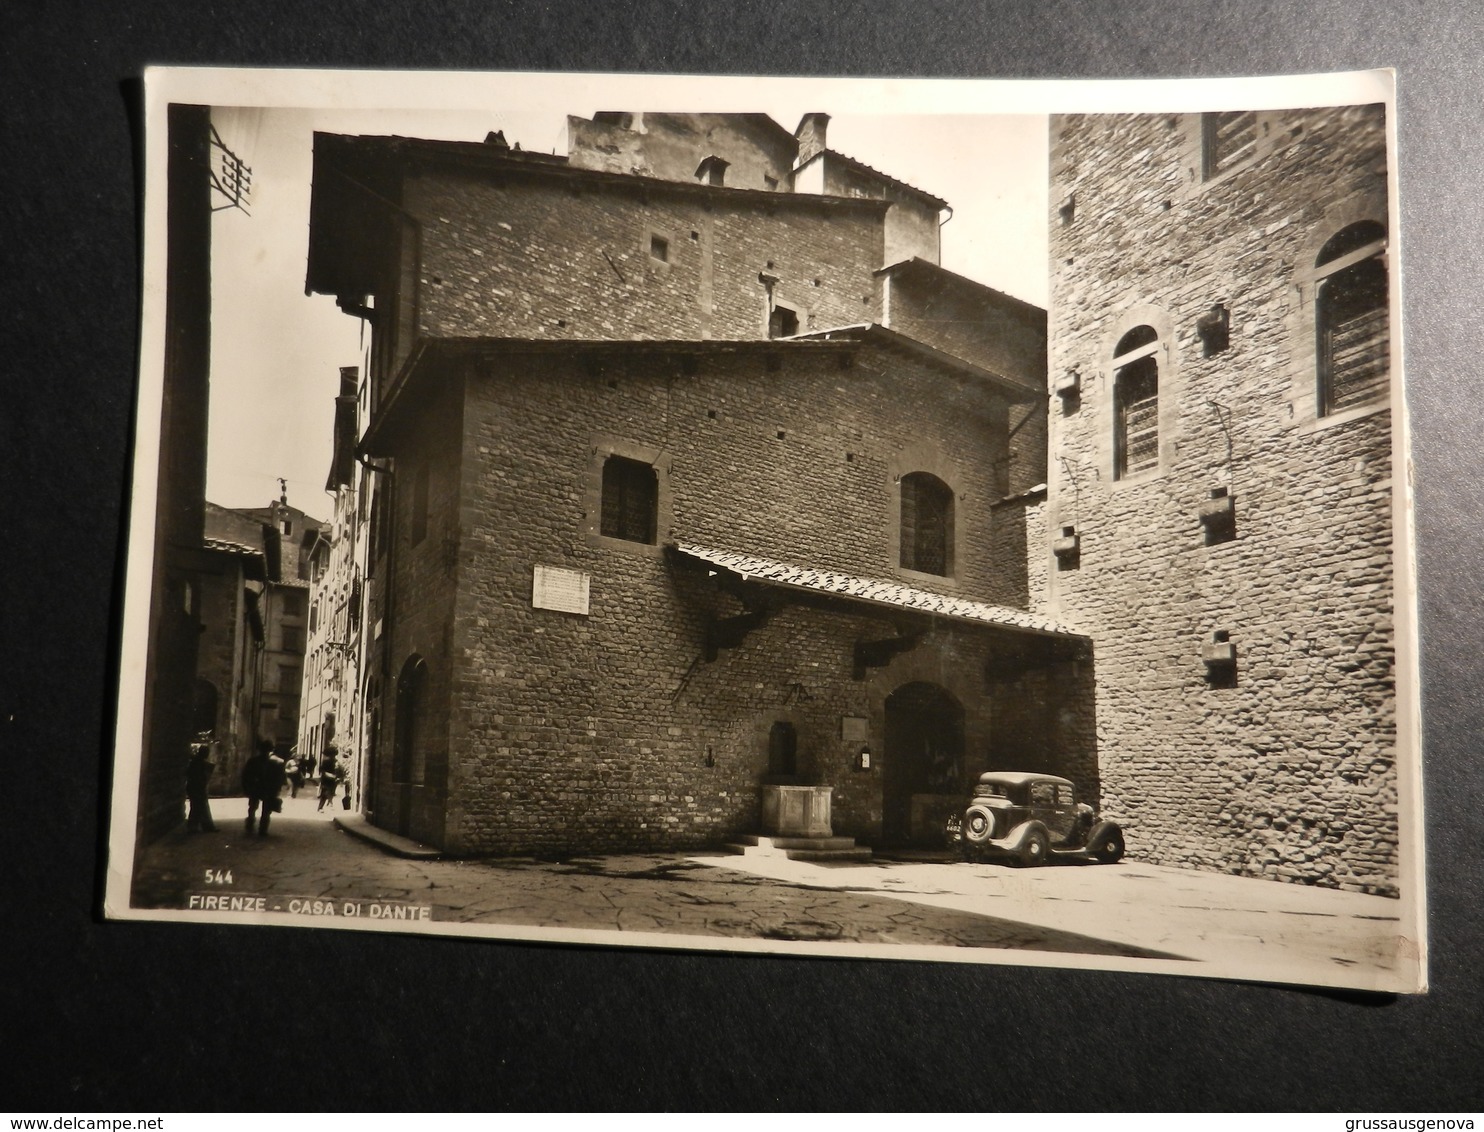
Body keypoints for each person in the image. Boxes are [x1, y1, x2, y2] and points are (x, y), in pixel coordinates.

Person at [242, 739, 286, 836]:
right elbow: (280, 778)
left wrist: (246, 787)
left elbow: (245, 775)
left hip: (256, 787)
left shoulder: (253, 761)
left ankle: (250, 826)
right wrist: (277, 789)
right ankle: (262, 829)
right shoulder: (275, 763)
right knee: (265, 810)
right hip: (267, 789)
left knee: (253, 808)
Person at [185, 743, 217, 832]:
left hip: (195, 787)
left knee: (198, 806)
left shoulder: (197, 762)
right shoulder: (197, 763)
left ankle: (202, 826)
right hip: (196, 787)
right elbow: (195, 775)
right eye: (207, 752)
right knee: (197, 807)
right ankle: (196, 826)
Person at [317, 746, 342, 813]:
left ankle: (329, 803)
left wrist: (338, 777)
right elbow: (322, 770)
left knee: (331, 792)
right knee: (324, 793)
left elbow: (339, 771)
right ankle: (321, 807)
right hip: (326, 780)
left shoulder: (336, 762)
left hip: (333, 780)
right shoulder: (325, 762)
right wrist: (330, 775)